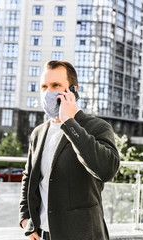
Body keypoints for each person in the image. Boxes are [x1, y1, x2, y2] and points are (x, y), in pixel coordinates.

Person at [19, 60, 120, 240]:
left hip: (82, 234)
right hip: (43, 234)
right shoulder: (38, 133)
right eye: (44, 86)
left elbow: (107, 170)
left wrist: (69, 123)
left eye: (56, 85)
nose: (48, 92)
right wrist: (26, 218)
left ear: (73, 90)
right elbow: (29, 176)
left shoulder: (98, 127)